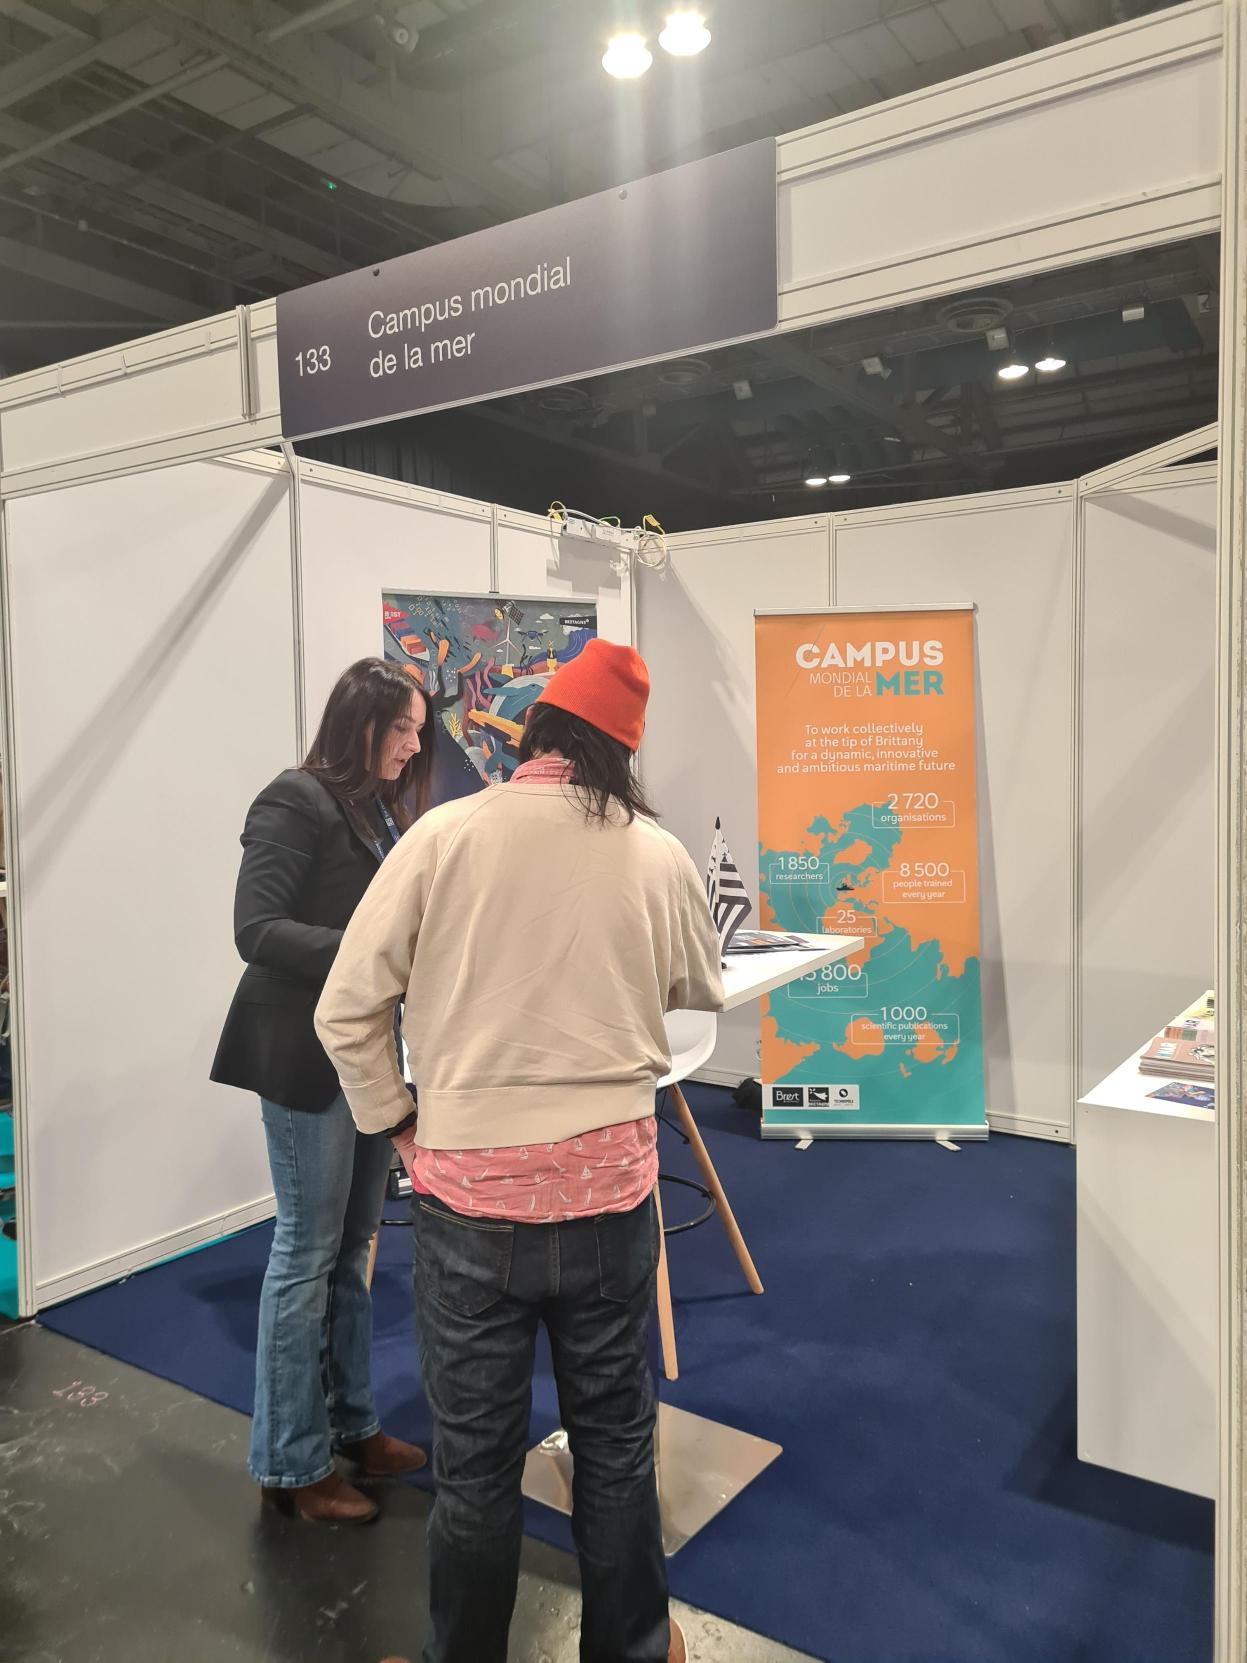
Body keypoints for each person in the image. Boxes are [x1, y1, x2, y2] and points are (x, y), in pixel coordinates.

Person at [316, 640, 723, 1663]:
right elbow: (696, 989)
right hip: (609, 1199)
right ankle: (633, 1647)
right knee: (615, 1448)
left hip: (468, 1205)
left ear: (535, 728)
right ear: (621, 749)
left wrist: (396, 1119)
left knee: (476, 1467)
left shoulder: (443, 834)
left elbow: (346, 1005)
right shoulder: (655, 852)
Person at [212, 658, 434, 1525]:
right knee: (305, 1253)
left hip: (363, 1055)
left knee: (352, 1251)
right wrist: (368, 953)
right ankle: (290, 1464)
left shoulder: (373, 807)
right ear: (360, 722)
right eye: (402, 729)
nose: (414, 745)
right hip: (304, 1057)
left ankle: (354, 1426)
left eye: (419, 731)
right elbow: (255, 929)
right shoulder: (293, 799)